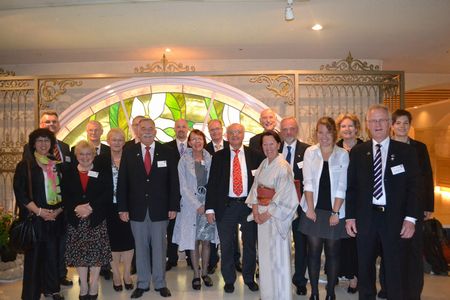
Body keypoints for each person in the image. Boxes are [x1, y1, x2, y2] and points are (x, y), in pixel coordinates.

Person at [345, 104, 420, 300]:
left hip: (394, 219)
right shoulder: (358, 152)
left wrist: (411, 219)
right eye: (373, 121)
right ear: (368, 125)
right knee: (365, 266)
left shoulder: (406, 152)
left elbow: (414, 189)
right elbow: (351, 188)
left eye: (381, 120)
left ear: (389, 124)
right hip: (366, 218)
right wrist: (350, 217)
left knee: (394, 267)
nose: (377, 124)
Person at [117, 118, 180, 298]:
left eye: (150, 128)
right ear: (137, 131)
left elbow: (173, 182)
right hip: (136, 210)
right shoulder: (129, 152)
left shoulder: (167, 152)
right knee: (140, 247)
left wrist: (173, 206)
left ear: (155, 131)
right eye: (143, 128)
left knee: (160, 248)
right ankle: (142, 283)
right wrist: (123, 208)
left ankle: (160, 283)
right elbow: (122, 182)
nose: (147, 131)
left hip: (160, 209)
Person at [205, 123, 264, 294]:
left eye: (238, 132)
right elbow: (213, 184)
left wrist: (260, 205)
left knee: (250, 245)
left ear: (243, 134)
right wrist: (210, 209)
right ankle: (229, 279)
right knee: (227, 244)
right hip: (226, 206)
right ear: (227, 135)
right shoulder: (219, 156)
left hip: (248, 206)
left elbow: (262, 183)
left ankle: (248, 278)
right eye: (231, 133)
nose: (235, 135)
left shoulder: (256, 156)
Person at [299, 117, 349, 300]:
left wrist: (336, 212)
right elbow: (308, 182)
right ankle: (313, 293)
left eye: (328, 133)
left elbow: (341, 186)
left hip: (334, 210)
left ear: (334, 134)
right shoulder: (310, 152)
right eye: (320, 132)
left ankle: (330, 293)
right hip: (313, 209)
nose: (324, 136)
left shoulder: (342, 154)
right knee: (312, 252)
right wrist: (310, 209)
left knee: (333, 252)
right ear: (316, 133)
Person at [22, 110, 73, 287]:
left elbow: (67, 178)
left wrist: (61, 208)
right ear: (41, 125)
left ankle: (60, 275)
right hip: (39, 210)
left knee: (60, 244)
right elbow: (29, 183)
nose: (52, 124)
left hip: (60, 209)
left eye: (54, 121)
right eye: (47, 122)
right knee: (44, 249)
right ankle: (45, 281)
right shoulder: (29, 152)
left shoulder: (65, 148)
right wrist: (40, 210)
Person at [246, 130, 299, 300]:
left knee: (278, 257)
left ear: (278, 144)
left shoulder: (283, 166)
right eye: (265, 144)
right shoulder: (263, 163)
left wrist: (267, 214)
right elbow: (255, 188)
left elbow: (285, 195)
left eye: (271, 144)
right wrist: (255, 211)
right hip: (261, 216)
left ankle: (281, 295)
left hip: (275, 217)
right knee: (265, 256)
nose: (268, 148)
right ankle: (267, 294)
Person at [13, 128, 65, 300]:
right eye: (40, 140)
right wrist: (40, 211)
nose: (44, 144)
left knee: (52, 255)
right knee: (34, 259)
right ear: (33, 144)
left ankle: (52, 289)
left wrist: (57, 211)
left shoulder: (55, 163)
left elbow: (65, 191)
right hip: (35, 218)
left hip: (54, 218)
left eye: (47, 141)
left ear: (51, 144)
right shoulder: (25, 165)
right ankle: (31, 295)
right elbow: (20, 193)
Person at [390, 109, 434, 300]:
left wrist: (428, 206)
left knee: (414, 251)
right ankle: (390, 289)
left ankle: (413, 292)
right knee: (391, 251)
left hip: (414, 207)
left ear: (410, 125)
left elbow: (427, 177)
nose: (402, 126)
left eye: (405, 123)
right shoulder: (387, 147)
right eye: (398, 123)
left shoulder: (420, 148)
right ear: (392, 126)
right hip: (391, 209)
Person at [63, 140, 112, 300]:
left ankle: (93, 284)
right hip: (76, 219)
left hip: (95, 218)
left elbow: (107, 193)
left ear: (94, 155)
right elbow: (64, 194)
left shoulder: (102, 171)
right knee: (80, 255)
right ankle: (83, 284)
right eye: (81, 154)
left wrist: (90, 207)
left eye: (88, 154)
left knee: (96, 255)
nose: (85, 157)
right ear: (76, 155)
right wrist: (76, 207)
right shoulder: (69, 171)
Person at [172, 129, 218, 290]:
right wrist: (197, 205)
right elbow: (183, 187)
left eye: (200, 139)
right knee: (193, 240)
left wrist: (208, 205)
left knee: (206, 241)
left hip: (208, 205)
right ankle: (196, 275)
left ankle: (205, 272)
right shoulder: (183, 161)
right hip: (191, 206)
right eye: (194, 139)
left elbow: (214, 183)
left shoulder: (210, 158)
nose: (197, 142)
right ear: (189, 143)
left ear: (204, 141)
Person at [205, 119, 241, 275]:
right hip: (218, 200)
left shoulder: (233, 145)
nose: (215, 132)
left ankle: (236, 260)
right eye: (211, 130)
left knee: (233, 236)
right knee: (216, 235)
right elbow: (212, 181)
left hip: (236, 200)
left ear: (222, 131)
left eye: (217, 129)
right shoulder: (204, 149)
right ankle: (213, 262)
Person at [279, 117, 310, 296]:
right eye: (285, 129)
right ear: (281, 131)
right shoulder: (275, 150)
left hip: (300, 206)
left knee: (300, 244)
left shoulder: (308, 151)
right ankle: (281, 277)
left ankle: (299, 280)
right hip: (280, 207)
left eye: (291, 129)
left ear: (297, 130)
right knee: (281, 243)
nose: (288, 132)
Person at [102, 128, 135, 292]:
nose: (117, 142)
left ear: (124, 141)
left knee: (128, 241)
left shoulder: (131, 159)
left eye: (120, 139)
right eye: (113, 139)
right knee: (112, 242)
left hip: (128, 207)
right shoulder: (101, 160)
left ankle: (127, 274)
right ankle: (116, 274)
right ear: (108, 141)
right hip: (108, 207)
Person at [335, 113, 364, 294]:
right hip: (338, 199)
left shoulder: (365, 148)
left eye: (350, 126)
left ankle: (355, 277)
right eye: (343, 126)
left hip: (359, 201)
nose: (347, 129)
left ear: (357, 128)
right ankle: (339, 272)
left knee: (355, 240)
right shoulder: (334, 148)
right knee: (339, 239)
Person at [165, 118, 190, 271]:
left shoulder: (194, 146)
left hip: (190, 194)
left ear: (187, 129)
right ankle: (172, 258)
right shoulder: (166, 148)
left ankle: (190, 257)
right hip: (172, 193)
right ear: (174, 129)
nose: (181, 129)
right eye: (178, 127)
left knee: (188, 226)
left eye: (183, 127)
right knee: (171, 227)